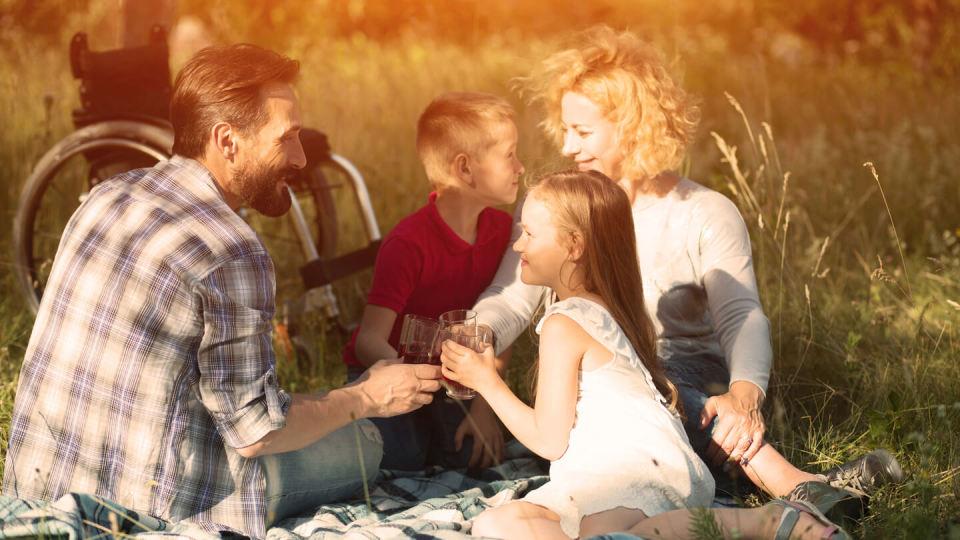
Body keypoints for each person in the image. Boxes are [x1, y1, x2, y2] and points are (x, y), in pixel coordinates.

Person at [2, 44, 441, 539]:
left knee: (314, 407)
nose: (299, 158)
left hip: (42, 479)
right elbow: (255, 434)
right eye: (286, 138)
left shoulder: (108, 195)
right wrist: (365, 398)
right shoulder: (232, 250)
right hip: (145, 504)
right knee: (363, 442)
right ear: (227, 141)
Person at [472, 25, 902, 505]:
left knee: (664, 381)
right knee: (642, 384)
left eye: (583, 131)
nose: (568, 147)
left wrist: (744, 394)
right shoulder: (561, 212)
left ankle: (798, 488)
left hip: (694, 385)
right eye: (566, 130)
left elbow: (741, 315)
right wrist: (478, 335)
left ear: (634, 126)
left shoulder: (704, 212)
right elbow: (512, 294)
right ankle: (817, 490)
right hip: (609, 383)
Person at [442, 170, 849, 539]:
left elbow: (549, 441)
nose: (518, 244)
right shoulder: (601, 306)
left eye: (529, 234)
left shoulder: (564, 325)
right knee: (496, 524)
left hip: (633, 473)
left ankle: (772, 522)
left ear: (573, 245)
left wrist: (487, 382)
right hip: (643, 466)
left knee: (611, 537)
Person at [342, 92, 523, 470]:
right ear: (466, 169)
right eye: (509, 155)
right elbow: (368, 341)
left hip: (457, 381)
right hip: (389, 371)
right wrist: (414, 380)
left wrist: (486, 406)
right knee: (399, 458)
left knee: (474, 456)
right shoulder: (408, 244)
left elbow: (503, 324)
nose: (520, 167)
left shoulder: (504, 231)